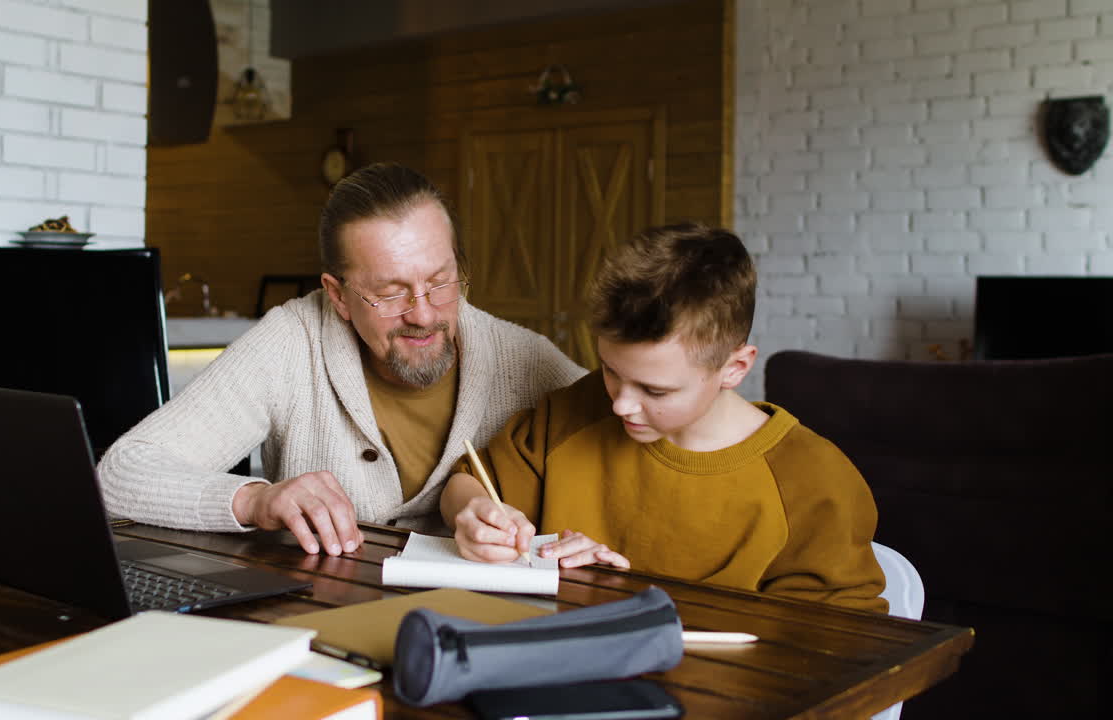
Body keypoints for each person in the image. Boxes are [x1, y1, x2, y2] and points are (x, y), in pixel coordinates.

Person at [99, 163, 584, 556]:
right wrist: (256, 499)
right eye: (390, 293)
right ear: (338, 296)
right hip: (318, 626)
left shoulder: (523, 360)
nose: (423, 313)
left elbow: (636, 432)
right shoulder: (292, 341)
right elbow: (119, 474)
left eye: (440, 281)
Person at [440, 222, 887, 611]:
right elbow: (466, 483)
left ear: (735, 367)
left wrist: (629, 599)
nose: (620, 405)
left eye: (655, 390)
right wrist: (476, 513)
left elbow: (838, 644)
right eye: (611, 370)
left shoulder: (813, 480)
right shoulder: (575, 413)